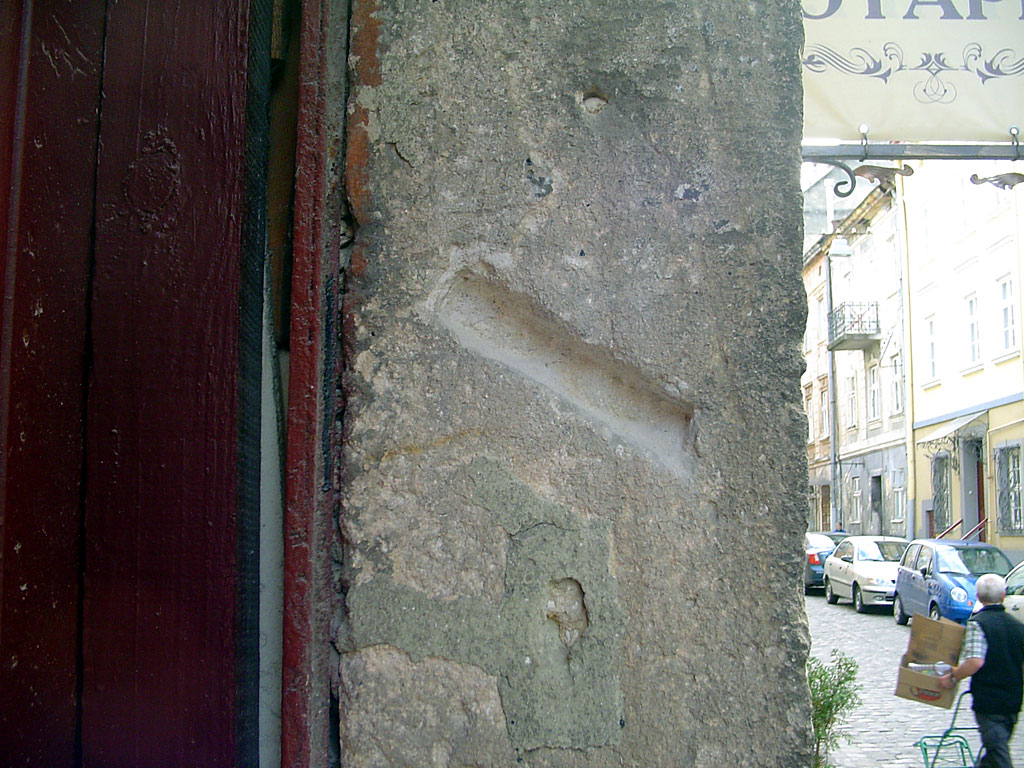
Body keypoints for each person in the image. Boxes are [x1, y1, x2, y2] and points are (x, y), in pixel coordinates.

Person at [939, 573, 1024, 768]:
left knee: (998, 752)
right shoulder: (1018, 627)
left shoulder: (978, 624)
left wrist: (952, 677)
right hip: (1013, 700)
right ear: (1003, 596)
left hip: (988, 700)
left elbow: (975, 662)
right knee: (996, 749)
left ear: (977, 597)